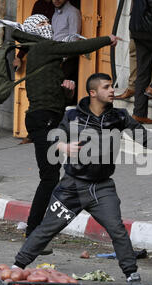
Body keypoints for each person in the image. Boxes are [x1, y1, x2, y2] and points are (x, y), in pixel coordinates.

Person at [11, 73, 152, 285]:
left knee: (118, 230)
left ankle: (132, 275)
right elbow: (53, 138)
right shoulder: (73, 116)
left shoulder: (119, 117)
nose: (112, 90)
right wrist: (64, 148)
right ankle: (16, 267)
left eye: (112, 86)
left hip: (102, 189)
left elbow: (144, 137)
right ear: (93, 93)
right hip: (71, 188)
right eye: (106, 87)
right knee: (47, 229)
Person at [11, 15, 120, 252]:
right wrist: (106, 40)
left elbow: (53, 96)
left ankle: (40, 231)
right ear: (35, 31)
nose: (48, 27)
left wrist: (67, 93)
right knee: (49, 177)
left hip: (48, 118)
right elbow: (76, 47)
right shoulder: (44, 47)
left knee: (53, 176)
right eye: (42, 25)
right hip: (43, 120)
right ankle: (34, 234)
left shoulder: (42, 52)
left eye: (47, 23)